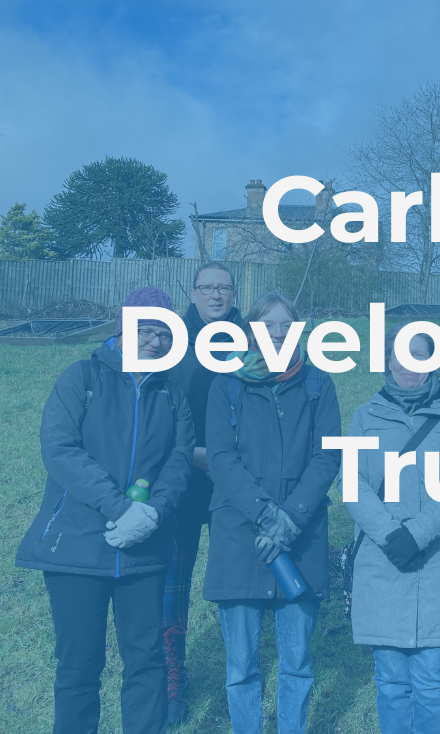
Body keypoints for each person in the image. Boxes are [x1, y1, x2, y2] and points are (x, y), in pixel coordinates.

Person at [16, 286, 195, 734]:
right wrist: (119, 508)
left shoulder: (172, 394)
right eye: (146, 330)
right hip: (77, 549)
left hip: (145, 551)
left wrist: (153, 513)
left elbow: (179, 459)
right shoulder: (81, 378)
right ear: (123, 329)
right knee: (79, 666)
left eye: (164, 334)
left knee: (147, 661)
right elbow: (60, 449)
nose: (155, 341)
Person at [203, 292, 341, 734]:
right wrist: (266, 515)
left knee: (297, 663)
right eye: (268, 325)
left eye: (286, 325)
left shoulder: (318, 384)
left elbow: (328, 456)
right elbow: (221, 458)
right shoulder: (226, 384)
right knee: (241, 665)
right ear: (251, 331)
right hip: (239, 535)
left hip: (301, 537)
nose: (278, 333)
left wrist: (292, 517)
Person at [344, 324, 440, 734]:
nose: (407, 364)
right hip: (382, 562)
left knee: (433, 681)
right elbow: (352, 483)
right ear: (387, 360)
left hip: (438, 565)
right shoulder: (364, 417)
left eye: (419, 355)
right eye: (399, 354)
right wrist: (389, 534)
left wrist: (416, 534)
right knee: (391, 681)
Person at [164, 261, 242, 722]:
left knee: (234, 577)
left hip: (234, 480)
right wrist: (188, 452)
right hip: (183, 476)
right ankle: (172, 673)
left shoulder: (250, 341)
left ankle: (242, 668)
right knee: (173, 579)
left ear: (234, 295)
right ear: (193, 293)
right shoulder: (170, 342)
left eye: (224, 288)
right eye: (207, 287)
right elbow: (156, 408)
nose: (216, 295)